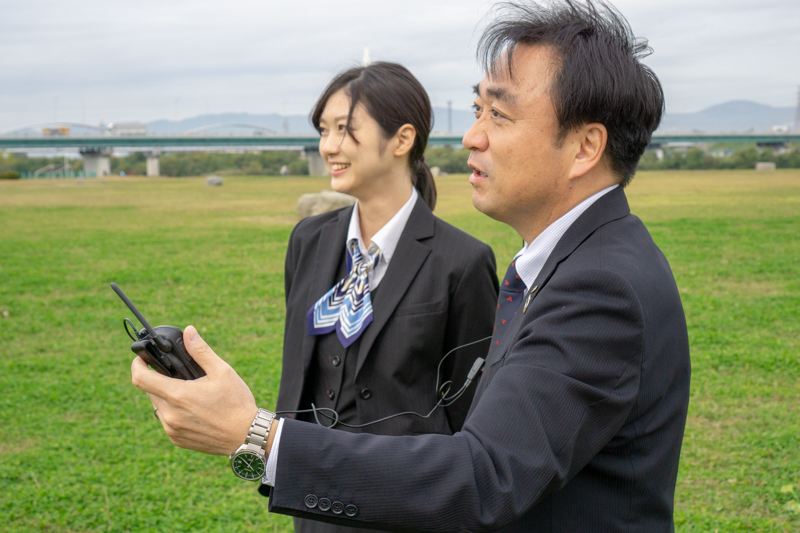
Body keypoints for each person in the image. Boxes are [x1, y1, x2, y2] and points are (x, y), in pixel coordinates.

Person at [132, 1, 691, 531]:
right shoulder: (563, 262)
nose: (472, 136)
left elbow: (484, 476)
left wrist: (254, 434)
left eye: (499, 114)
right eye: (477, 110)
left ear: (585, 148)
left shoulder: (600, 286)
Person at [275, 62, 499, 533]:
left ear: (402, 139)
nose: (328, 146)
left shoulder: (462, 261)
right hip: (314, 501)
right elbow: (301, 371)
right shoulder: (308, 241)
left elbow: (471, 407)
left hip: (410, 508)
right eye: (324, 130)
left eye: (344, 129)